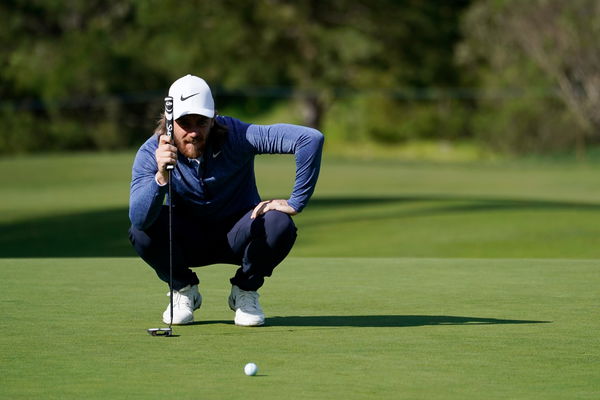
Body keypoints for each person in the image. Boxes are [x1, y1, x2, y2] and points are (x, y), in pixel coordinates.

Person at [128, 74, 324, 327]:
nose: (193, 131)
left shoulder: (237, 135)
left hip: (239, 233)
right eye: (184, 123)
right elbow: (139, 219)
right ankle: (183, 290)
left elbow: (309, 139)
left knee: (279, 223)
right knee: (141, 231)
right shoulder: (151, 152)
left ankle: (245, 291)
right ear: (169, 122)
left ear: (214, 118)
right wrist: (161, 176)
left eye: (202, 122)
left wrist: (296, 201)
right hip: (186, 239)